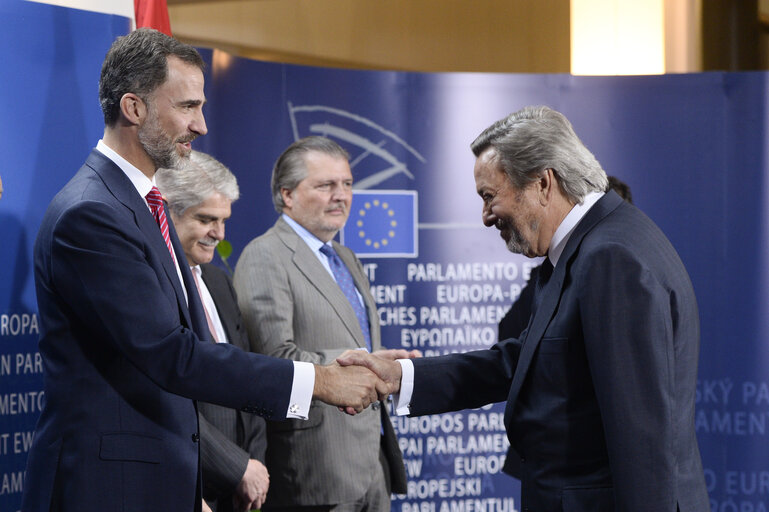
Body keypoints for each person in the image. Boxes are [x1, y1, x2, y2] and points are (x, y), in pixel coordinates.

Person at [24, 29, 385, 512]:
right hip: (108, 488)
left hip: (159, 479)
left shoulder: (143, 203)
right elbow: (173, 356)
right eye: (188, 106)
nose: (202, 125)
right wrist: (318, 381)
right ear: (134, 109)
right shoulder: (92, 214)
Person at [340, 106, 710, 511]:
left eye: (489, 196)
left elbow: (641, 439)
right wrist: (399, 377)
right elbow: (522, 362)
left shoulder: (610, 259)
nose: (484, 216)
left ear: (543, 183)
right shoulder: (587, 248)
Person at [234, 136, 414, 511]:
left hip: (371, 462)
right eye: (326, 185)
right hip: (314, 467)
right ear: (288, 195)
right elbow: (274, 359)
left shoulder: (345, 256)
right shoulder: (265, 256)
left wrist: (374, 364)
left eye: (347, 184)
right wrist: (361, 363)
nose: (342, 195)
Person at [496, 174, 635, 481]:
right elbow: (513, 342)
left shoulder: (619, 267)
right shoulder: (553, 270)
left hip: (594, 468)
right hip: (555, 456)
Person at [156, 151, 270, 512]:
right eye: (206, 220)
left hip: (240, 492)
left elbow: (246, 377)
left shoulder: (220, 281)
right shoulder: (153, 286)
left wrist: (253, 466)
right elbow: (164, 402)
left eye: (223, 221)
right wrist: (236, 468)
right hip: (184, 485)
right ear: (168, 212)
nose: (219, 235)